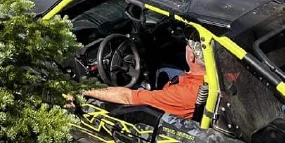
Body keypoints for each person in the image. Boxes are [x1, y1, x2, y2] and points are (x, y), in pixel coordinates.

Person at [80, 40, 208, 119]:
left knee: (137, 88)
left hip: (176, 104)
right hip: (188, 89)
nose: (185, 45)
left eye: (188, 45)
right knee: (162, 69)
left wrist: (83, 89)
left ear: (192, 57)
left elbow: (126, 97)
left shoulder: (182, 95)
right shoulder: (221, 74)